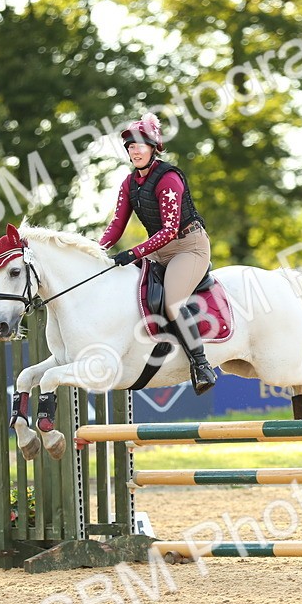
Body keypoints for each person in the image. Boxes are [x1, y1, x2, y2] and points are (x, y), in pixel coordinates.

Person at [99, 112, 217, 395]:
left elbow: (170, 230)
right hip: (158, 249)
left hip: (189, 246)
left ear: (153, 148)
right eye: (130, 146)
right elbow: (116, 226)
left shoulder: (169, 178)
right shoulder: (128, 184)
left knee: (173, 302)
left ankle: (201, 365)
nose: (135, 151)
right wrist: (95, 251)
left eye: (140, 145)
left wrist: (133, 252)